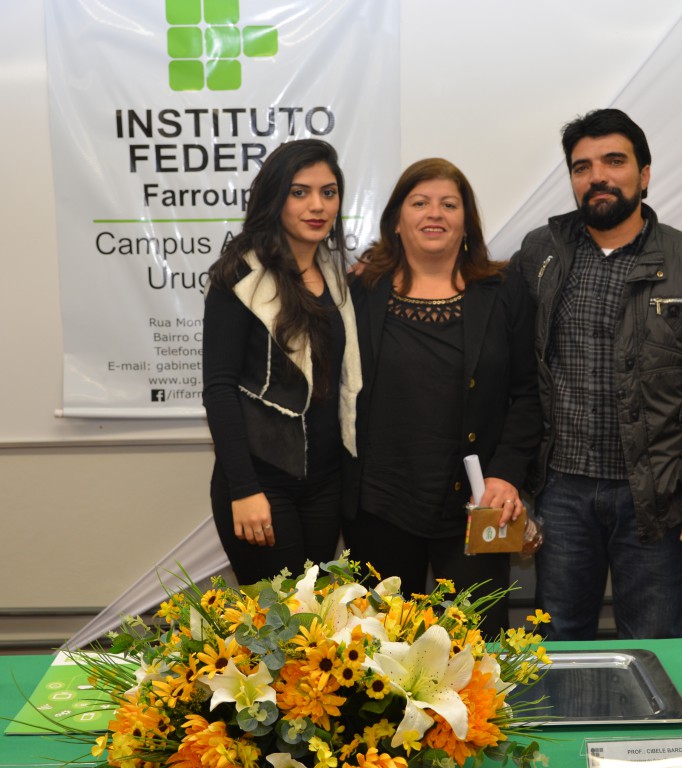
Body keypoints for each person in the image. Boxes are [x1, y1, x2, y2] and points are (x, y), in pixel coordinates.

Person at [511, 109, 682, 640]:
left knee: (652, 643)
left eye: (614, 161)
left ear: (644, 174)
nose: (597, 176)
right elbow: (506, 356)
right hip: (561, 493)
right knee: (559, 644)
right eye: (582, 167)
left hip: (656, 496)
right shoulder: (539, 254)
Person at [343, 158, 541, 636]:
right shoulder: (360, 290)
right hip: (380, 506)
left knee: (477, 652)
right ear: (396, 220)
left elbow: (529, 394)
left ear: (466, 222)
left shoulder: (503, 290)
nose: (435, 213)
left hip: (474, 505)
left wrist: (506, 475)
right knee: (382, 652)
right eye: (420, 203)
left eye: (449, 204)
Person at [202, 139, 362, 585]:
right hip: (261, 481)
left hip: (325, 483)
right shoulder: (238, 276)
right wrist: (244, 488)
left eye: (328, 192)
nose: (317, 206)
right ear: (275, 198)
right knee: (278, 619)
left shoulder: (336, 274)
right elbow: (219, 389)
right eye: (300, 192)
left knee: (316, 616)